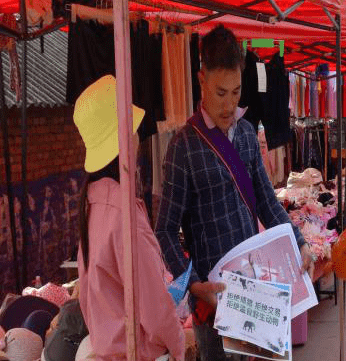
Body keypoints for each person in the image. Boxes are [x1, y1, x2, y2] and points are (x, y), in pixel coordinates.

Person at [155, 24, 314, 361]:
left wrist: (299, 243)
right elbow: (165, 229)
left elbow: (268, 203)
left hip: (255, 290)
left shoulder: (245, 134)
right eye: (219, 92)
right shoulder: (183, 147)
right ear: (201, 81)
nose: (229, 104)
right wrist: (193, 283)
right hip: (213, 299)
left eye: (236, 91)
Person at [74, 75, 185, 361]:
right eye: (133, 129)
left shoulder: (92, 203)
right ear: (124, 138)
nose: (137, 136)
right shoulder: (123, 214)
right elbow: (155, 308)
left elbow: (86, 297)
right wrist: (181, 345)